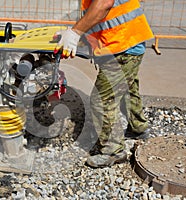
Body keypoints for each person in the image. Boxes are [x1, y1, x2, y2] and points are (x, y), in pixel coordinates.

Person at [54, 0, 154, 168]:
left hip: (122, 45)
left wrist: (75, 32)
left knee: (102, 100)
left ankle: (113, 151)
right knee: (127, 89)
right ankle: (138, 128)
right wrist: (78, 34)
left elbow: (104, 3)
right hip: (127, 41)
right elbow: (100, 13)